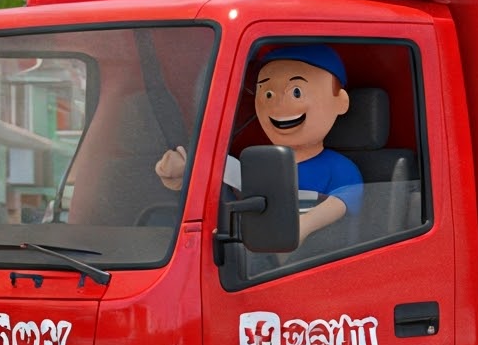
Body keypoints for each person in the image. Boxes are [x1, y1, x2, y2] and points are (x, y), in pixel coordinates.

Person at [155, 45, 364, 247]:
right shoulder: (255, 164)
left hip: (308, 261)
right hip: (247, 260)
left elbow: (340, 203)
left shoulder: (339, 169)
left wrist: (301, 226)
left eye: (296, 92)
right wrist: (183, 168)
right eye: (268, 94)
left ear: (341, 102)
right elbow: (219, 177)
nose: (277, 105)